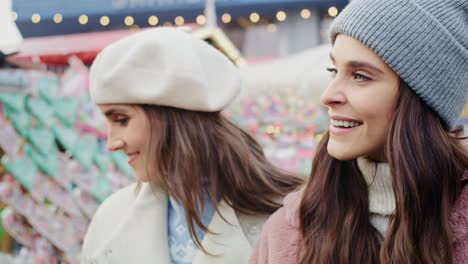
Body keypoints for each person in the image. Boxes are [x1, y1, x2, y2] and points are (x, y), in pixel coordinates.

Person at [250, 0, 468, 263]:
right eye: (334, 70)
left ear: (423, 99)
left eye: (360, 76)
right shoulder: (288, 230)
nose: (327, 96)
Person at [81, 28, 303, 264]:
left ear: (170, 118)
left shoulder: (291, 218)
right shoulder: (111, 218)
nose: (111, 143)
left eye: (121, 120)